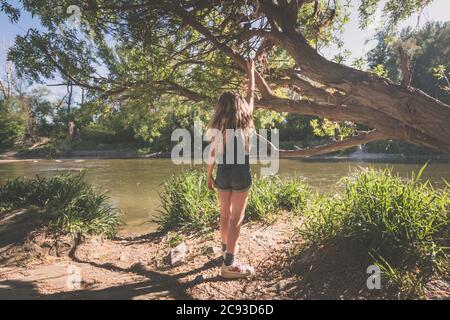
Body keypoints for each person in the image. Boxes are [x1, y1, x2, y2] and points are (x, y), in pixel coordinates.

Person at [206, 58, 256, 279]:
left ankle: (224, 248)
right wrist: (251, 71)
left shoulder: (219, 126)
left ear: (221, 108)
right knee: (237, 217)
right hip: (240, 172)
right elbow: (251, 94)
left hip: (223, 172)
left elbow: (213, 154)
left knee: (224, 214)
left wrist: (209, 176)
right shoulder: (246, 120)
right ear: (241, 107)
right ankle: (229, 263)